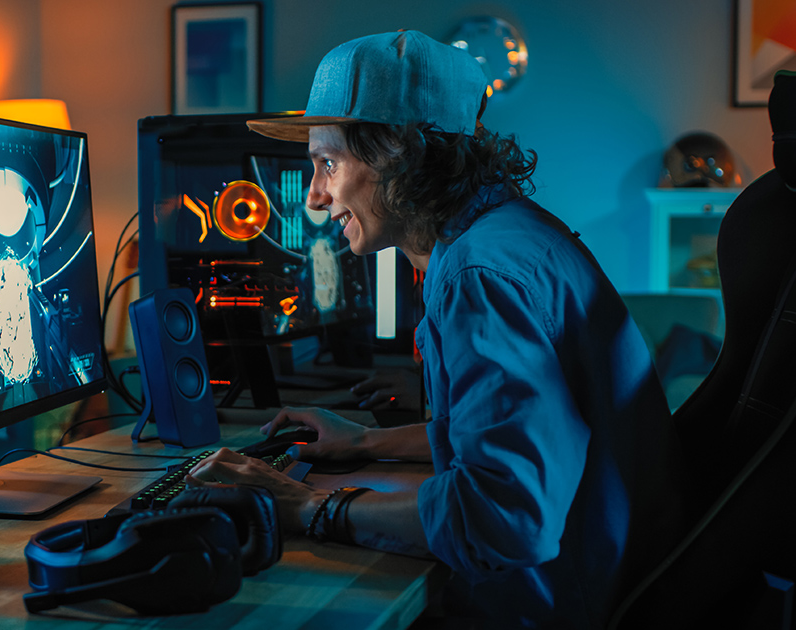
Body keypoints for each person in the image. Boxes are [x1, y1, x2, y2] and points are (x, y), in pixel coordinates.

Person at [187, 30, 688, 629]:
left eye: (327, 162)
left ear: (400, 153)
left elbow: (504, 519)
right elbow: (515, 435)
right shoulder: (503, 236)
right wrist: (365, 442)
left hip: (559, 607)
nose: (315, 198)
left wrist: (309, 506)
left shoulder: (481, 275)